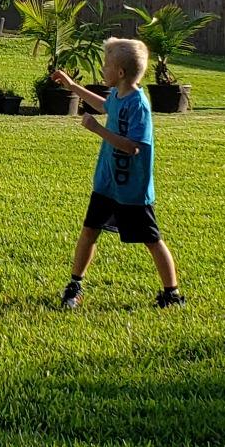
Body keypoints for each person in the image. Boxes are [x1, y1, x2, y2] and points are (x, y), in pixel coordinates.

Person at [51, 37, 183, 309]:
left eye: (106, 65)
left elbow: (134, 147)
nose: (102, 69)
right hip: (107, 184)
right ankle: (75, 285)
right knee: (89, 231)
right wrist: (73, 87)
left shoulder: (139, 105)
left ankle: (172, 295)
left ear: (120, 73)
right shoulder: (118, 96)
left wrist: (98, 130)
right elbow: (104, 105)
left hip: (132, 190)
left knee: (152, 239)